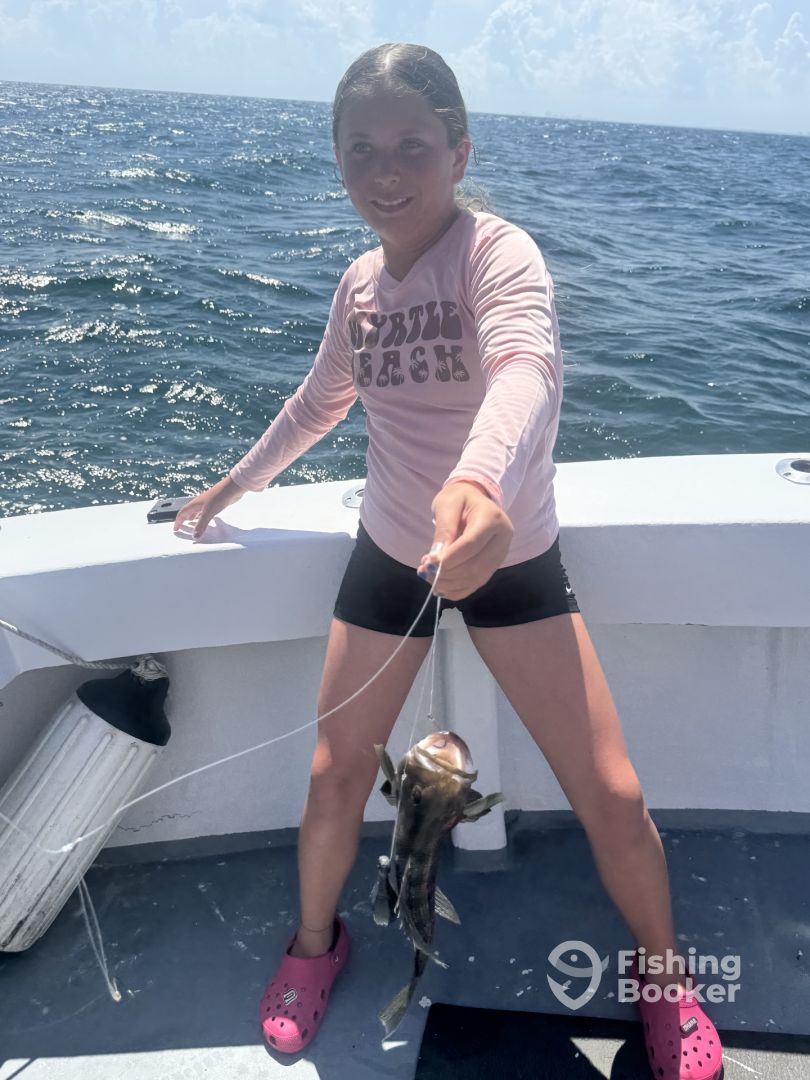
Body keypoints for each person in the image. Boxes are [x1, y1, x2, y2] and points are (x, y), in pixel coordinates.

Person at [173, 42, 723, 1080]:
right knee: (333, 777)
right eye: (361, 149)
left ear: (459, 152)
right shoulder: (357, 286)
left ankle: (664, 976)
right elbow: (317, 404)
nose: (386, 172)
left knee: (611, 793)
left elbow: (525, 367)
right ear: (337, 160)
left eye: (412, 146)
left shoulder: (497, 255)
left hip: (505, 547)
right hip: (393, 551)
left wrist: (476, 485)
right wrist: (232, 486)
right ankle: (313, 946)